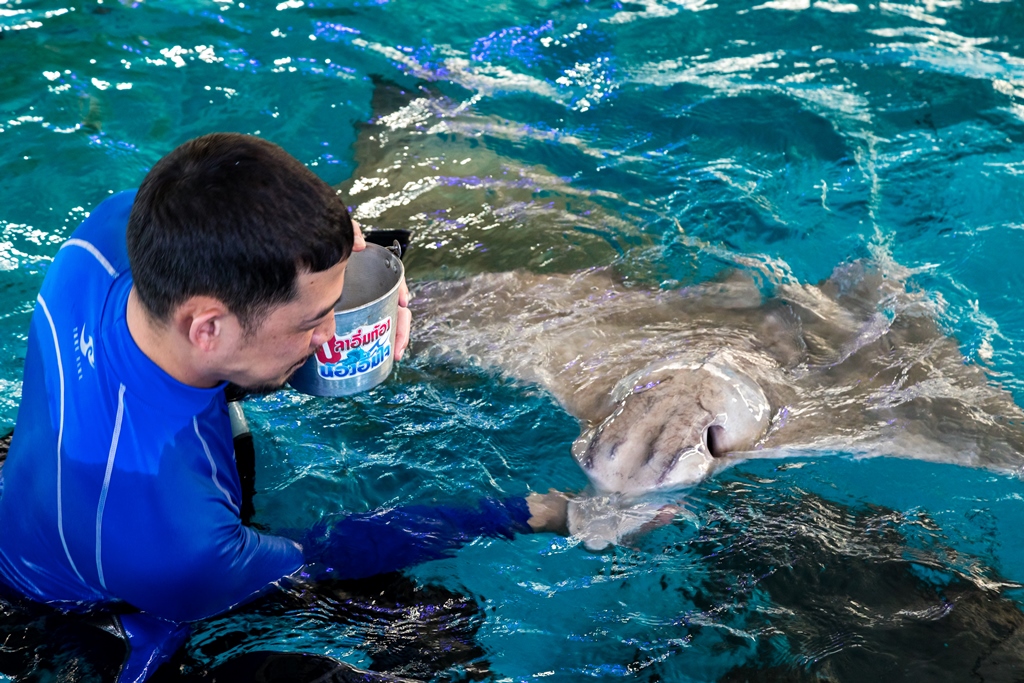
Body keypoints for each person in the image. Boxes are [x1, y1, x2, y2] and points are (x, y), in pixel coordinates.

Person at [0, 133, 568, 682]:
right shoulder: (179, 542)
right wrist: (525, 514)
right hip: (93, 617)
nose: (329, 335)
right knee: (431, 628)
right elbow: (334, 552)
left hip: (43, 489)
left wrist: (335, 236)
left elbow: (223, 193)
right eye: (312, 321)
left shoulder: (109, 235)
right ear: (208, 328)